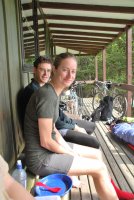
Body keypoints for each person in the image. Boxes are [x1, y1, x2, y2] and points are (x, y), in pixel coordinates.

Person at [23, 52, 134, 200]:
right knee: (99, 168)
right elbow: (46, 141)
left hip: (46, 151)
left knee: (96, 154)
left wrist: (68, 149)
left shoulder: (52, 92)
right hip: (40, 158)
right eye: (65, 69)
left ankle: (111, 190)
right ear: (55, 69)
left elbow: (53, 130)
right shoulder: (46, 96)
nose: (70, 75)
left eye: (73, 71)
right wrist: (70, 154)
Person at [22, 56, 99, 149]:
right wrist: (74, 127)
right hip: (49, 132)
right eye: (42, 70)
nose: (46, 74)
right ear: (34, 70)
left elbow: (58, 113)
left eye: (48, 70)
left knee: (90, 125)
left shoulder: (48, 88)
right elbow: (53, 123)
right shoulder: (34, 91)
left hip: (55, 127)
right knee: (92, 141)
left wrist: (71, 123)